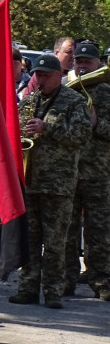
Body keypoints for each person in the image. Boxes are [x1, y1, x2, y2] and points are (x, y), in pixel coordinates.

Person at [10, 53, 90, 307]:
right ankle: (28, 287)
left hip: (59, 184)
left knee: (56, 241)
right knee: (30, 241)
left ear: (59, 75)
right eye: (38, 75)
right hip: (30, 182)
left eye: (46, 75)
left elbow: (82, 135)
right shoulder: (28, 101)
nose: (41, 80)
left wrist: (47, 128)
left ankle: (53, 291)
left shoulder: (74, 101)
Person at [64, 42, 110, 301]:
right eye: (78, 60)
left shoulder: (107, 92)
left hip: (99, 173)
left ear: (97, 64)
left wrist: (97, 124)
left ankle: (101, 280)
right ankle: (66, 279)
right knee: (67, 230)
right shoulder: (67, 92)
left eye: (87, 61)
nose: (82, 65)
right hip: (69, 172)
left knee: (99, 230)